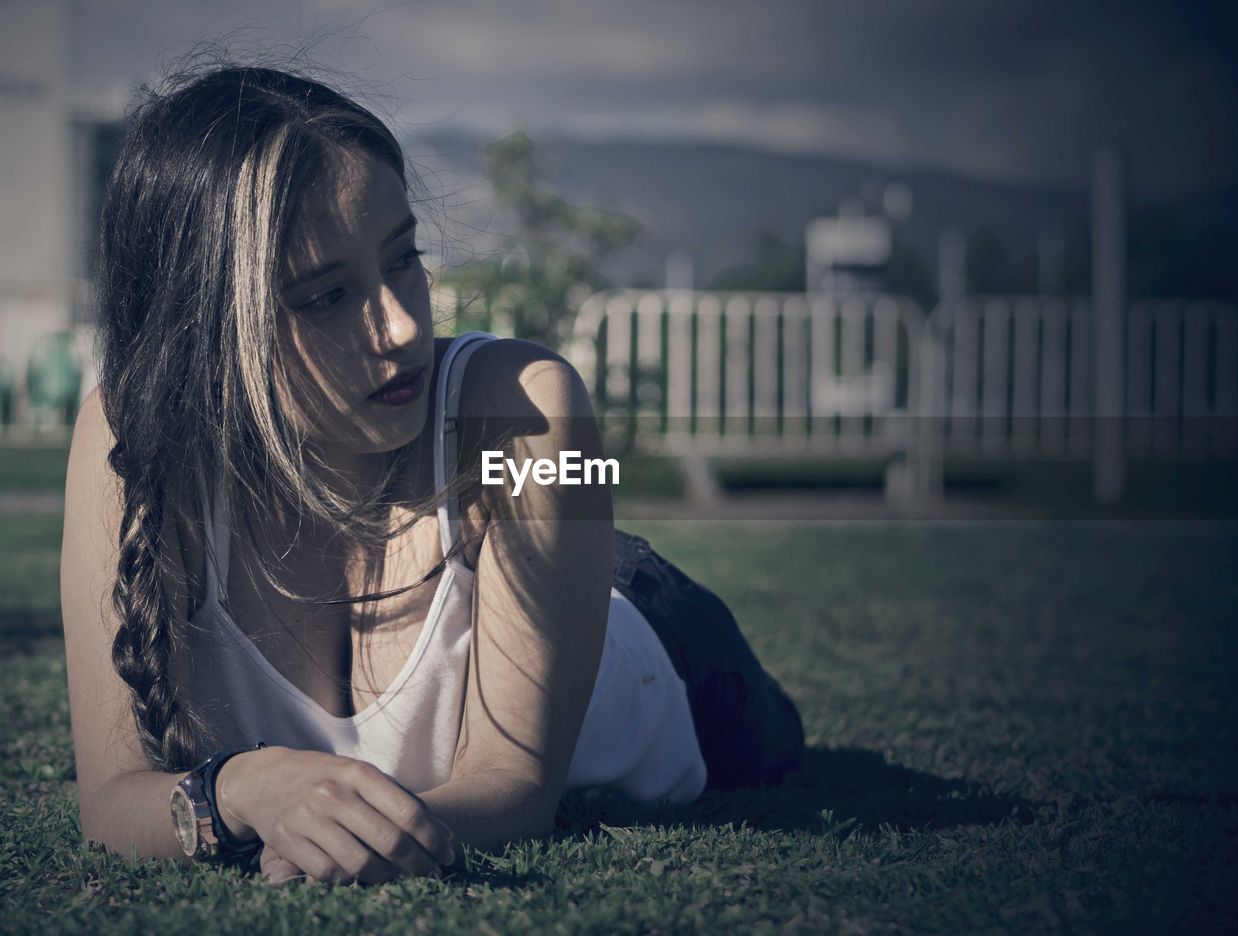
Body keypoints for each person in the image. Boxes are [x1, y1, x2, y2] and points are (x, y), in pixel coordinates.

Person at [59, 63, 804, 887]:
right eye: (326, 297)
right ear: (203, 326)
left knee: (780, 741)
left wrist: (340, 842)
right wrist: (243, 788)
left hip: (660, 640)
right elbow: (112, 801)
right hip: (501, 555)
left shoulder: (529, 409)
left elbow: (513, 793)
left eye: (403, 258)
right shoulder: (133, 437)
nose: (404, 325)